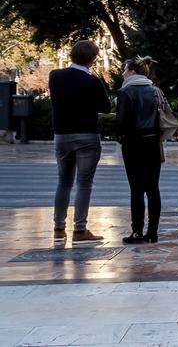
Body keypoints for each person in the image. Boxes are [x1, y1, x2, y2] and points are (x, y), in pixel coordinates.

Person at [48, 39, 111, 243]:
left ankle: (58, 229)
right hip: (87, 135)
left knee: (63, 182)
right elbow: (106, 107)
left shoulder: (55, 76)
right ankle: (80, 230)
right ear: (92, 59)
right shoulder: (92, 81)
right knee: (84, 183)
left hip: (62, 135)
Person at [114, 56, 165, 245]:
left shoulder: (125, 92)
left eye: (125, 69)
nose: (122, 72)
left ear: (133, 72)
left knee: (136, 189)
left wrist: (121, 137)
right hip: (153, 143)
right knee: (153, 188)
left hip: (133, 144)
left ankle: (137, 231)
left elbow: (120, 122)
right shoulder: (155, 90)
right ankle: (153, 232)